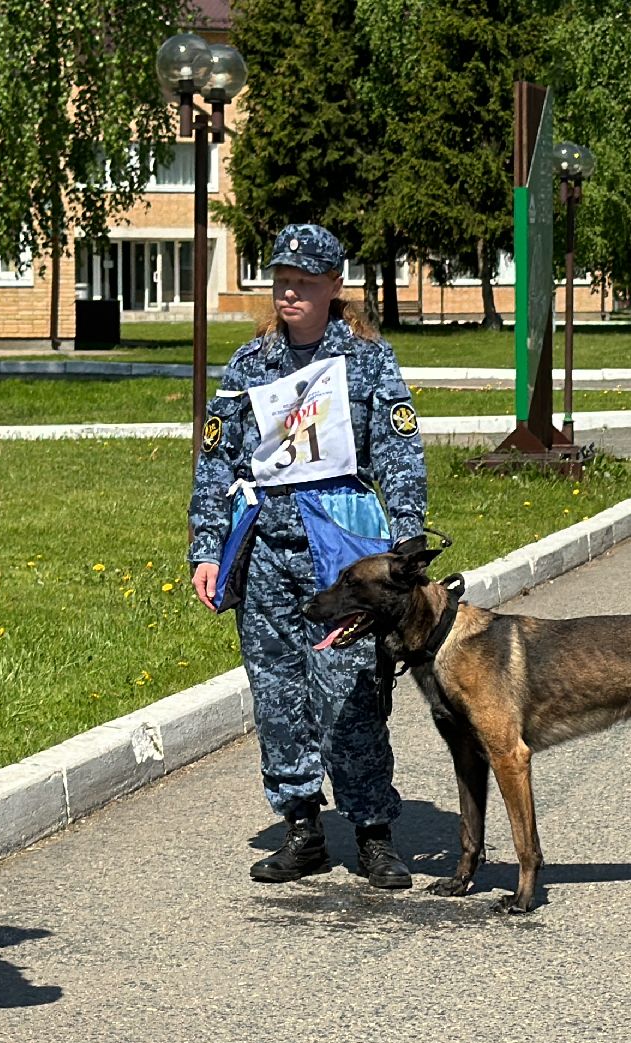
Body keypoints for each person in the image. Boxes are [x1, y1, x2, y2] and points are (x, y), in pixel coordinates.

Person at [188, 223, 428, 890]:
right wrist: (206, 550)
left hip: (343, 552)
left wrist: (406, 545)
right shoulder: (249, 366)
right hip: (267, 551)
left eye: (305, 282)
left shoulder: (368, 362)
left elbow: (400, 456)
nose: (290, 291)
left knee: (352, 692)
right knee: (277, 693)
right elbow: (216, 464)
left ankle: (374, 832)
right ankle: (301, 828)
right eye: (282, 281)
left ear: (333, 287)